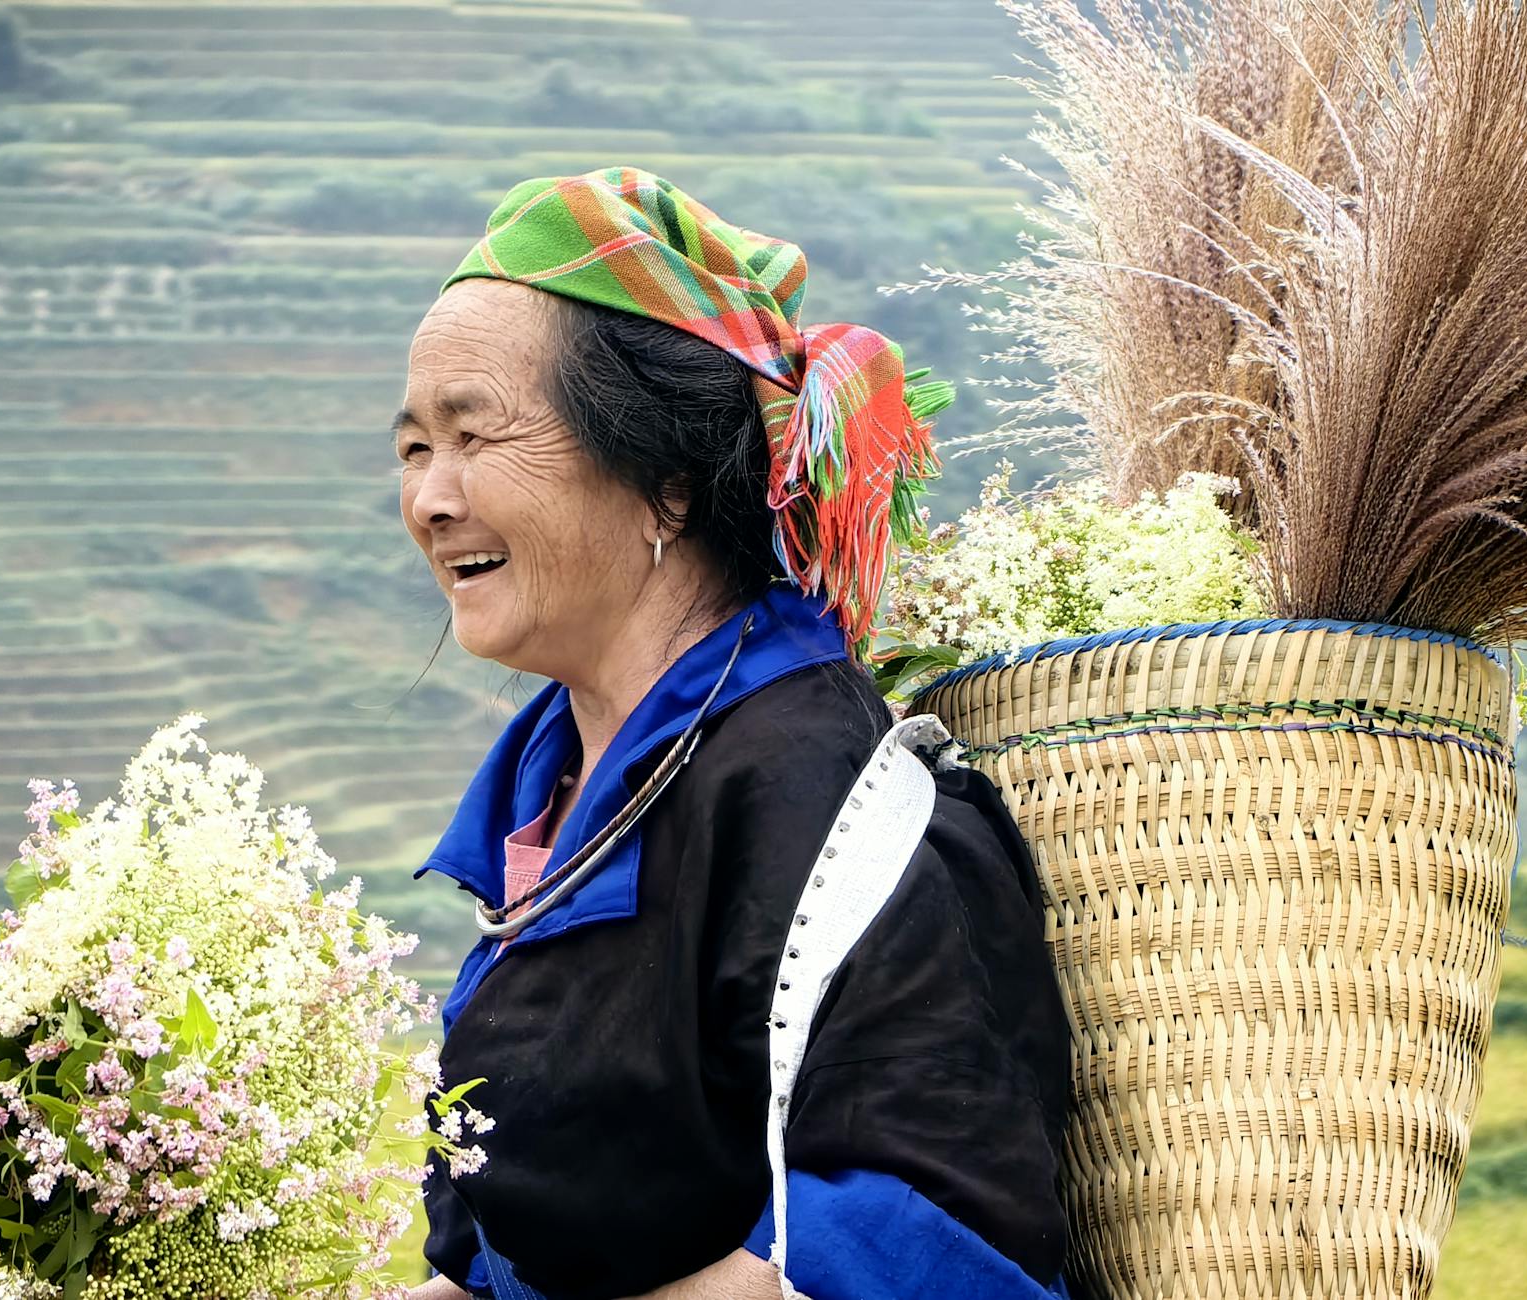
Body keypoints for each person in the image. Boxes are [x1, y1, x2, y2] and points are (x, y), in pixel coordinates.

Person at [402, 168, 1071, 1300]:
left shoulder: (834, 804)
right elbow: (494, 1249)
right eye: (414, 448)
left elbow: (932, 1231)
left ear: (665, 482)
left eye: (473, 435)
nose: (429, 497)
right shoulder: (551, 806)